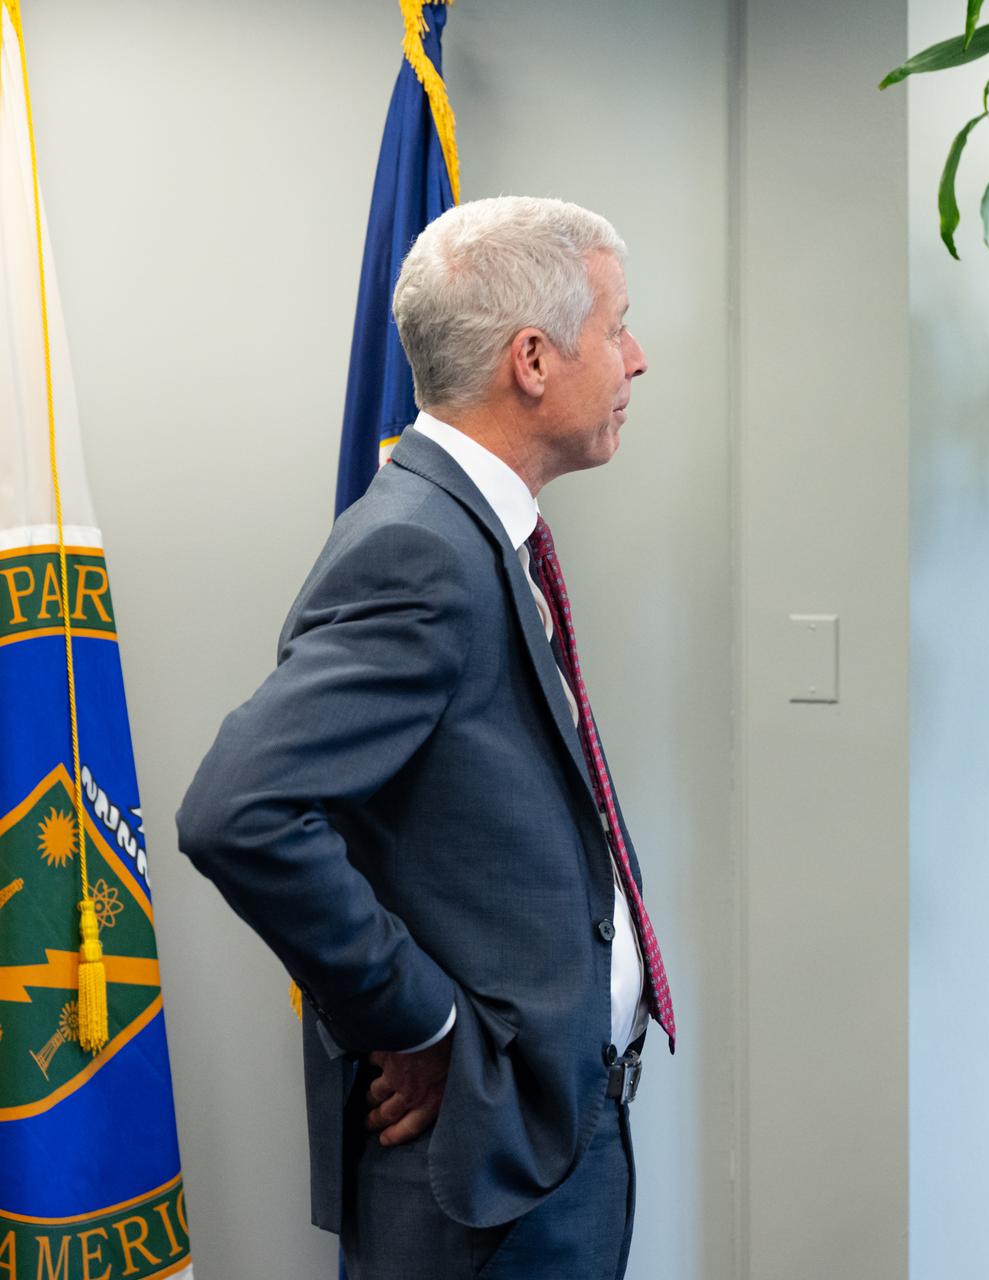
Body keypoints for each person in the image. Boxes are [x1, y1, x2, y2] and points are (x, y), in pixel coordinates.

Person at [177, 196, 669, 1279]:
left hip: (551, 1134)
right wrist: (427, 1021)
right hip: (483, 1173)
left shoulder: (480, 529)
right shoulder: (420, 549)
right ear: (533, 359)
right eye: (618, 326)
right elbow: (237, 810)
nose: (637, 359)